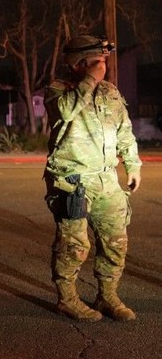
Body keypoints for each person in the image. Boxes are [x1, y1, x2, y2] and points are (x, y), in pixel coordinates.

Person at [43, 34, 142, 322]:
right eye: (98, 62)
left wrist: (133, 165)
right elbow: (65, 111)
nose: (104, 67)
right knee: (73, 245)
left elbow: (125, 130)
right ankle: (67, 299)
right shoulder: (58, 89)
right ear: (79, 64)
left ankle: (107, 295)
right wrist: (90, 80)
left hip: (106, 178)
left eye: (104, 61)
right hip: (72, 179)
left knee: (115, 241)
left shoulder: (109, 91)